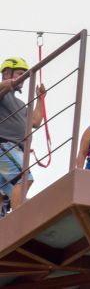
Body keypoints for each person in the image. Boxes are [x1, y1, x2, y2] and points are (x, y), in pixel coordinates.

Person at [0, 57, 45, 213]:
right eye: (20, 74)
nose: (24, 79)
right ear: (7, 73)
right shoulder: (3, 93)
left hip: (15, 150)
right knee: (24, 179)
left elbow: (35, 122)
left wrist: (40, 99)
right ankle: (17, 219)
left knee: (4, 192)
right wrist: (8, 84)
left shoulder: (19, 103)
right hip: (5, 146)